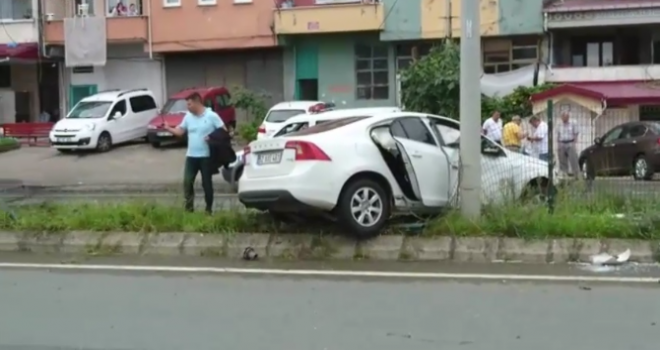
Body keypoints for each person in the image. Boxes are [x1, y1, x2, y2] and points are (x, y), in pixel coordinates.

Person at [163, 92, 226, 214]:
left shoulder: (211, 116)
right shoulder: (188, 117)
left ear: (197, 102)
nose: (188, 107)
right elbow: (180, 131)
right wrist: (168, 128)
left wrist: (212, 137)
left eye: (189, 104)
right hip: (191, 156)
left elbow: (224, 131)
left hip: (206, 157)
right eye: (187, 104)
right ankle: (189, 209)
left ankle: (208, 210)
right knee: (187, 182)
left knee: (206, 184)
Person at [556, 111, 580, 177]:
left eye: (566, 117)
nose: (564, 119)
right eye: (563, 117)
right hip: (561, 143)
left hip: (570, 142)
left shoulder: (573, 123)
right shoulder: (559, 124)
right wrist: (558, 145)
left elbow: (576, 134)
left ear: (568, 117)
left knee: (574, 160)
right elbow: (558, 134)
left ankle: (577, 175)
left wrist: (574, 144)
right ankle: (564, 175)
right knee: (562, 161)